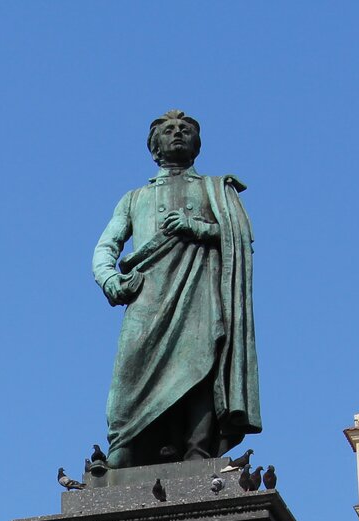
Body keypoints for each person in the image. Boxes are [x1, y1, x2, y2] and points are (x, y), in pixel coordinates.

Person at [92, 110, 260, 468]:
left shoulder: (214, 190)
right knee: (129, 373)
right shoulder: (134, 198)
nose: (177, 134)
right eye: (168, 130)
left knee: (199, 364)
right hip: (146, 294)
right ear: (154, 147)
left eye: (185, 130)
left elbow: (240, 239)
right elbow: (106, 245)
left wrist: (195, 227)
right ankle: (122, 448)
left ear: (197, 144)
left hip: (198, 292)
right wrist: (109, 278)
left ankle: (197, 448)